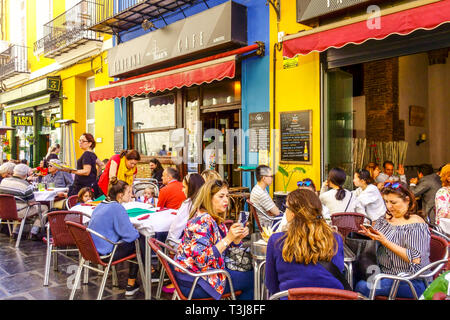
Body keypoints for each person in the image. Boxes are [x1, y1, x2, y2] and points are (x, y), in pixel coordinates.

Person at [173, 179, 254, 300]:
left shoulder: (215, 218)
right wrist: (228, 238)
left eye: (227, 196)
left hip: (200, 274)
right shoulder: (202, 222)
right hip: (196, 281)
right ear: (208, 198)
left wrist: (236, 239)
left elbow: (226, 249)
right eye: (221, 196)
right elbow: (202, 260)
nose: (226, 200)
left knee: (252, 276)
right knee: (253, 278)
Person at [355, 182, 430, 299]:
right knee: (350, 277)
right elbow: (377, 236)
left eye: (393, 202)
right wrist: (369, 234)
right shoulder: (387, 218)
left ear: (407, 200)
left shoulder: (416, 224)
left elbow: (416, 259)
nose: (389, 206)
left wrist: (385, 242)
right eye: (386, 201)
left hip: (410, 280)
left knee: (362, 286)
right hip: (383, 274)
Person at [265, 189, 345, 297]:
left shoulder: (276, 241)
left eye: (286, 207)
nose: (285, 211)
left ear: (292, 214)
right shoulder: (336, 239)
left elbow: (271, 284)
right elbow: (339, 273)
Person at [88, 177, 146, 296]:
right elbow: (130, 235)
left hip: (92, 250)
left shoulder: (100, 205)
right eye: (129, 192)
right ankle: (132, 284)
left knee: (136, 240)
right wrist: (136, 231)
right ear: (120, 195)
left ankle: (141, 277)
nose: (132, 195)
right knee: (140, 240)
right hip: (106, 253)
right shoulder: (117, 208)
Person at [164, 173, 205, 294]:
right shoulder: (207, 202)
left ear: (191, 188)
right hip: (204, 250)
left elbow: (174, 233)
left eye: (184, 187)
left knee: (167, 241)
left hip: (190, 253)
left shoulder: (188, 204)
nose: (182, 190)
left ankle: (176, 279)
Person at [0, 164, 48, 240]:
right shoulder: (25, 185)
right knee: (44, 208)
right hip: (19, 212)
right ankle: (34, 232)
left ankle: (15, 231)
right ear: (26, 174)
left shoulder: (3, 181)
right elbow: (31, 202)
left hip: (4, 211)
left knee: (18, 205)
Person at [61, 133, 102, 198]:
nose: (80, 142)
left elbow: (86, 171)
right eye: (79, 140)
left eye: (83, 141)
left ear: (90, 143)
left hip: (82, 187)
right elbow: (101, 165)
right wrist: (95, 177)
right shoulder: (92, 154)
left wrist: (70, 171)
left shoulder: (86, 154)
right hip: (88, 186)